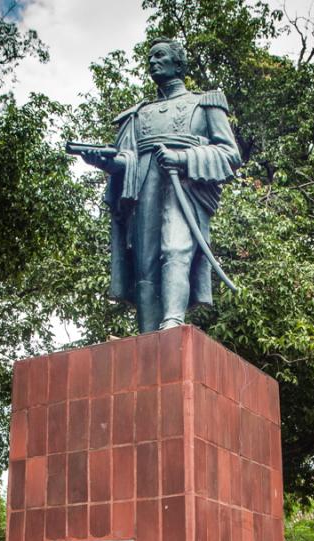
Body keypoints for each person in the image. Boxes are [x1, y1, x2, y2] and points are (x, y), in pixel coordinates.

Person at [82, 37, 241, 333]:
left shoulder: (204, 103)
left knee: (176, 248)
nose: (152, 62)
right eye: (149, 58)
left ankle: (172, 323)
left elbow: (230, 154)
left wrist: (181, 158)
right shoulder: (138, 114)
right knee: (145, 263)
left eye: (160, 56)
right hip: (143, 187)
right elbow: (125, 160)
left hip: (184, 187)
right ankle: (147, 335)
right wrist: (104, 162)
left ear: (178, 63)